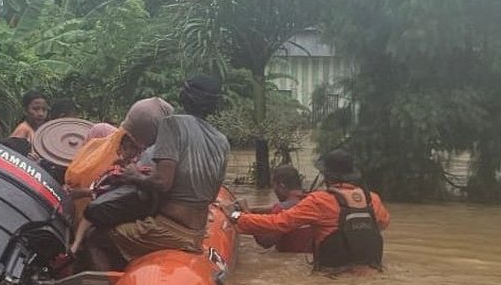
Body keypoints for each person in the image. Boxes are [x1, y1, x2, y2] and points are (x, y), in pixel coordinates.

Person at [89, 75, 230, 271]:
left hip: (168, 229)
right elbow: (211, 193)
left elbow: (163, 182)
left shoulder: (172, 124)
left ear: (183, 97)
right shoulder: (222, 140)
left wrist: (132, 175)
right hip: (197, 232)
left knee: (95, 238)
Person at [232, 150, 390, 273]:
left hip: (331, 277)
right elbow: (383, 224)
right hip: (372, 271)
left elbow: (279, 223)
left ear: (325, 175)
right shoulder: (372, 199)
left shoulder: (318, 201)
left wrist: (237, 216)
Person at [65, 99, 173, 253]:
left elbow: (122, 194)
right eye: (128, 146)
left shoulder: (154, 160)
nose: (130, 153)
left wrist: (87, 192)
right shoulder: (102, 133)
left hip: (121, 209)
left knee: (93, 235)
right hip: (99, 202)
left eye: (137, 147)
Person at [250, 165, 315, 253]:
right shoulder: (314, 201)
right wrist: (253, 210)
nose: (275, 191)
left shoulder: (281, 210)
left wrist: (246, 216)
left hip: (290, 260)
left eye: (274, 187)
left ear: (281, 186)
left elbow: (265, 242)